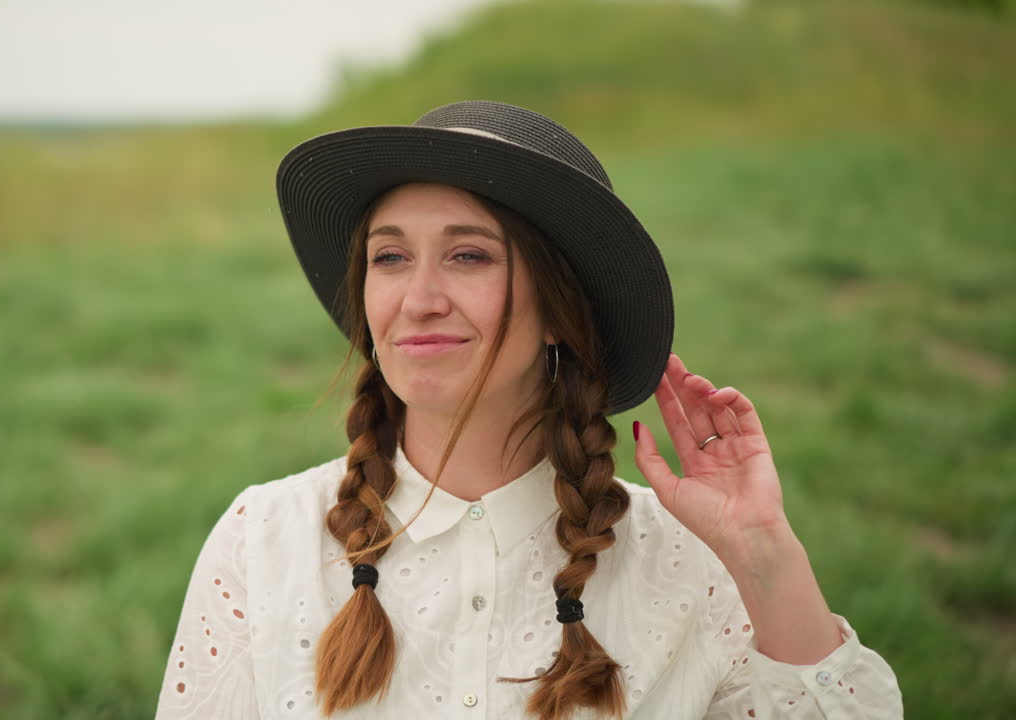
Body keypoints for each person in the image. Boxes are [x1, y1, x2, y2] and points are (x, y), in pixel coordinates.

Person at [155, 101, 902, 719]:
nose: (418, 300)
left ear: (558, 311)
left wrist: (764, 556)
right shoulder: (264, 544)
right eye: (389, 257)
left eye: (468, 255)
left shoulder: (683, 564)